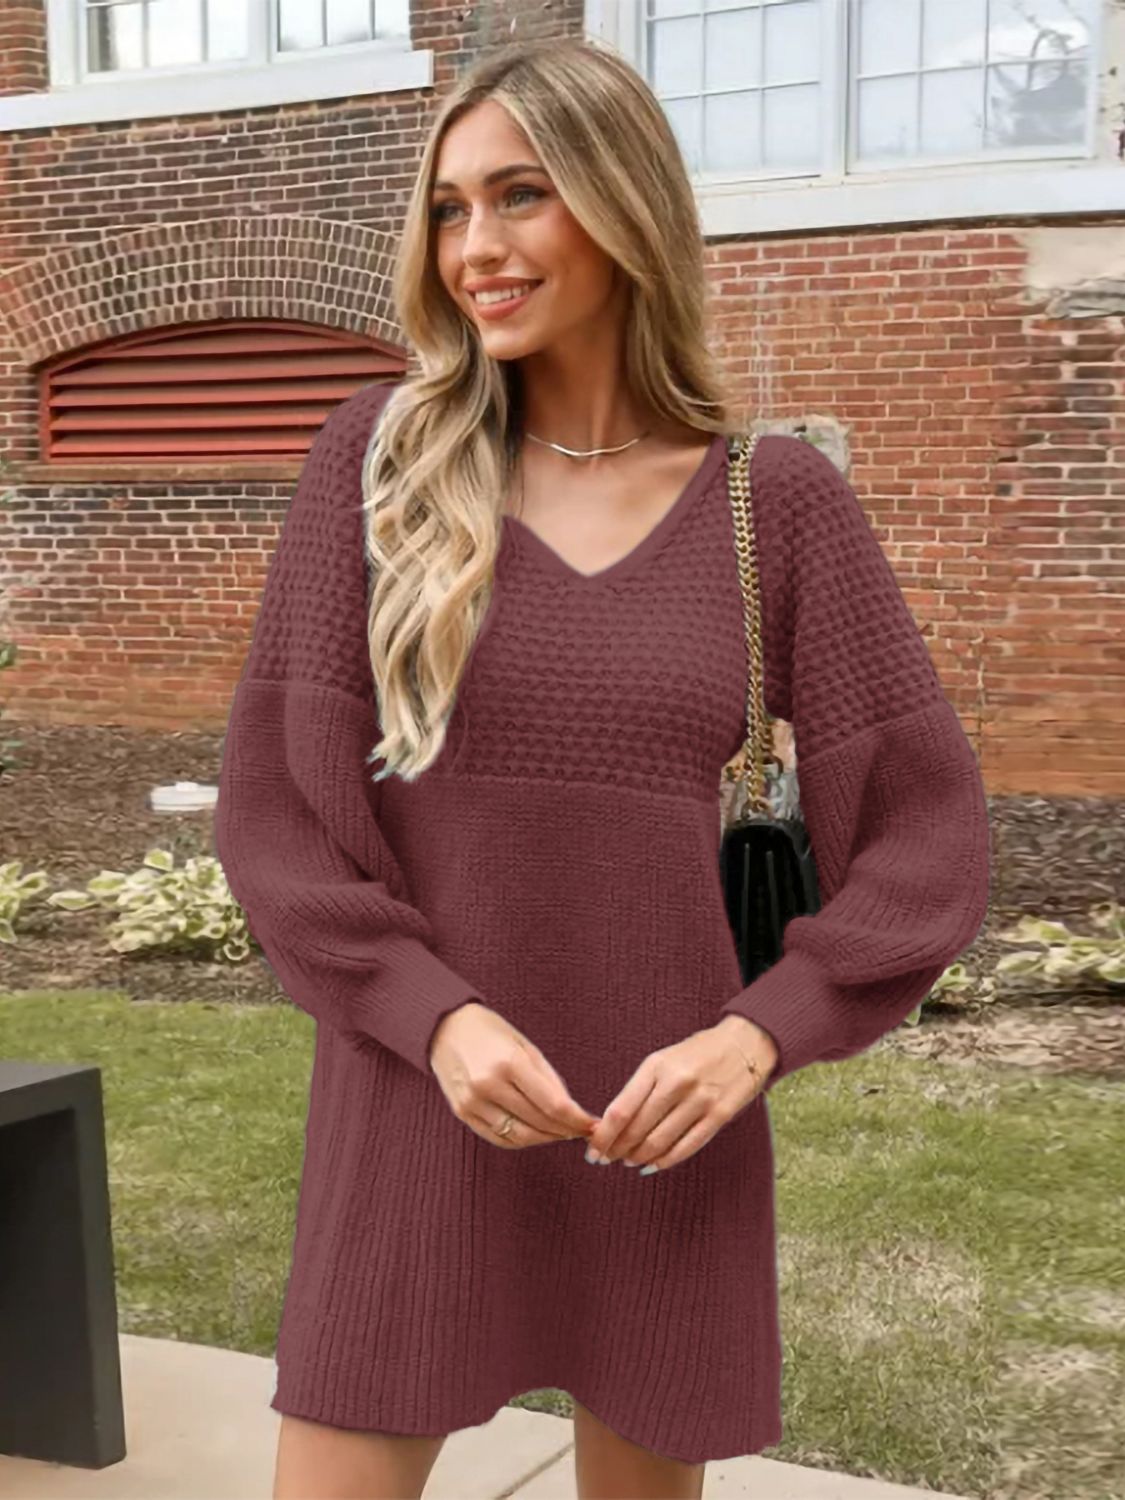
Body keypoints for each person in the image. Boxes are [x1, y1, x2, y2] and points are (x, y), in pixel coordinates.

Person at [213, 35, 991, 1500]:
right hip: (415, 1096)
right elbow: (278, 817)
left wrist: (758, 1035)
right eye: (449, 209)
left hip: (661, 1118)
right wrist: (434, 1017)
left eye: (521, 196)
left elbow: (924, 828)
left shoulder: (772, 502)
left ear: (626, 205)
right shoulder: (379, 468)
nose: (475, 249)